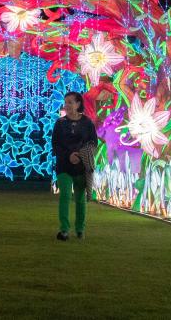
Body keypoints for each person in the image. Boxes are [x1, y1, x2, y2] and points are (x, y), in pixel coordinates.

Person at [51, 91, 98, 241]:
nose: (67, 105)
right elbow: (56, 145)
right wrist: (69, 155)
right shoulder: (60, 123)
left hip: (81, 167)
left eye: (70, 102)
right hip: (64, 166)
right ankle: (64, 229)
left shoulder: (87, 123)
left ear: (78, 104)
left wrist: (80, 155)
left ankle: (80, 229)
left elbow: (93, 143)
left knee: (80, 198)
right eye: (66, 102)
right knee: (65, 195)